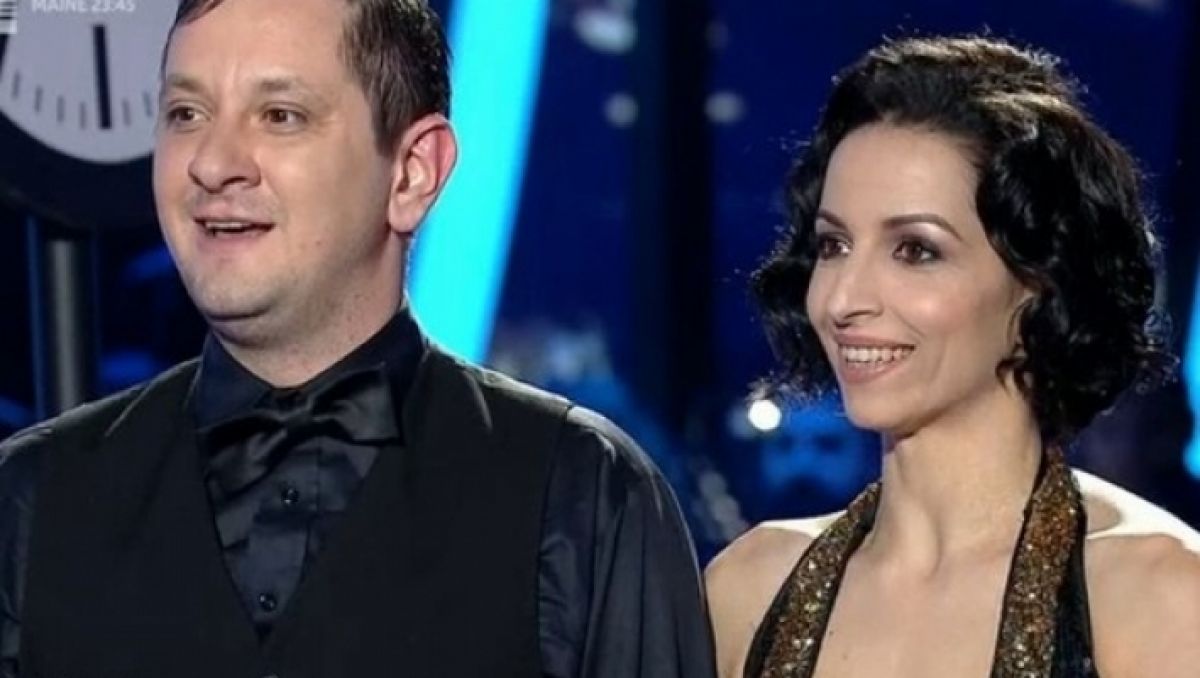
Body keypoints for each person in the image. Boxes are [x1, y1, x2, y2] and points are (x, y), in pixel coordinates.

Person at [0, 1, 716, 676]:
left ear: (412, 173)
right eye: (186, 114)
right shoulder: (30, 500)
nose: (212, 164)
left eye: (280, 115)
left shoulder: (584, 495)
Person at [706, 35, 1200, 678]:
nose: (842, 299)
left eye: (915, 250)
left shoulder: (1157, 599)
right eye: (833, 246)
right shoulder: (747, 595)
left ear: (1039, 282)